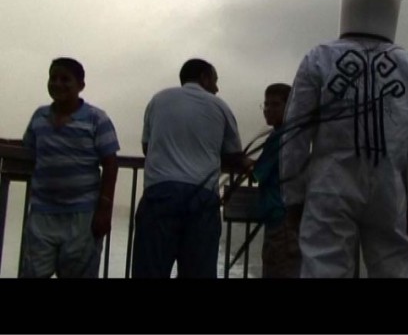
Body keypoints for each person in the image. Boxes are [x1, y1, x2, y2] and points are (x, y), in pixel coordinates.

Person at [279, 0, 408, 278]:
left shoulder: (318, 58)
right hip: (389, 189)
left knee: (324, 268)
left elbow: (294, 135)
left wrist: (292, 196)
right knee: (393, 270)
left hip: (330, 185)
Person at [132, 58, 250, 278]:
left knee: (150, 269)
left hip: (160, 194)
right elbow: (234, 155)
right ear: (204, 78)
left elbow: (147, 147)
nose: (217, 88)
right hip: (202, 199)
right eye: (215, 81)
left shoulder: (158, 99)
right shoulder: (220, 106)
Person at [20, 57, 120, 278]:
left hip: (82, 215)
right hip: (42, 213)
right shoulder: (39, 116)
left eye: (65, 79)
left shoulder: (96, 119)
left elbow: (111, 164)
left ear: (81, 85)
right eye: (53, 78)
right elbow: (29, 151)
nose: (57, 83)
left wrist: (104, 210)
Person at [252, 83, 301, 278]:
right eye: (266, 104)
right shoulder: (293, 133)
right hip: (286, 215)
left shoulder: (280, 136)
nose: (268, 110)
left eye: (275, 104)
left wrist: (245, 163)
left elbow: (258, 173)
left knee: (278, 269)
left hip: (280, 216)